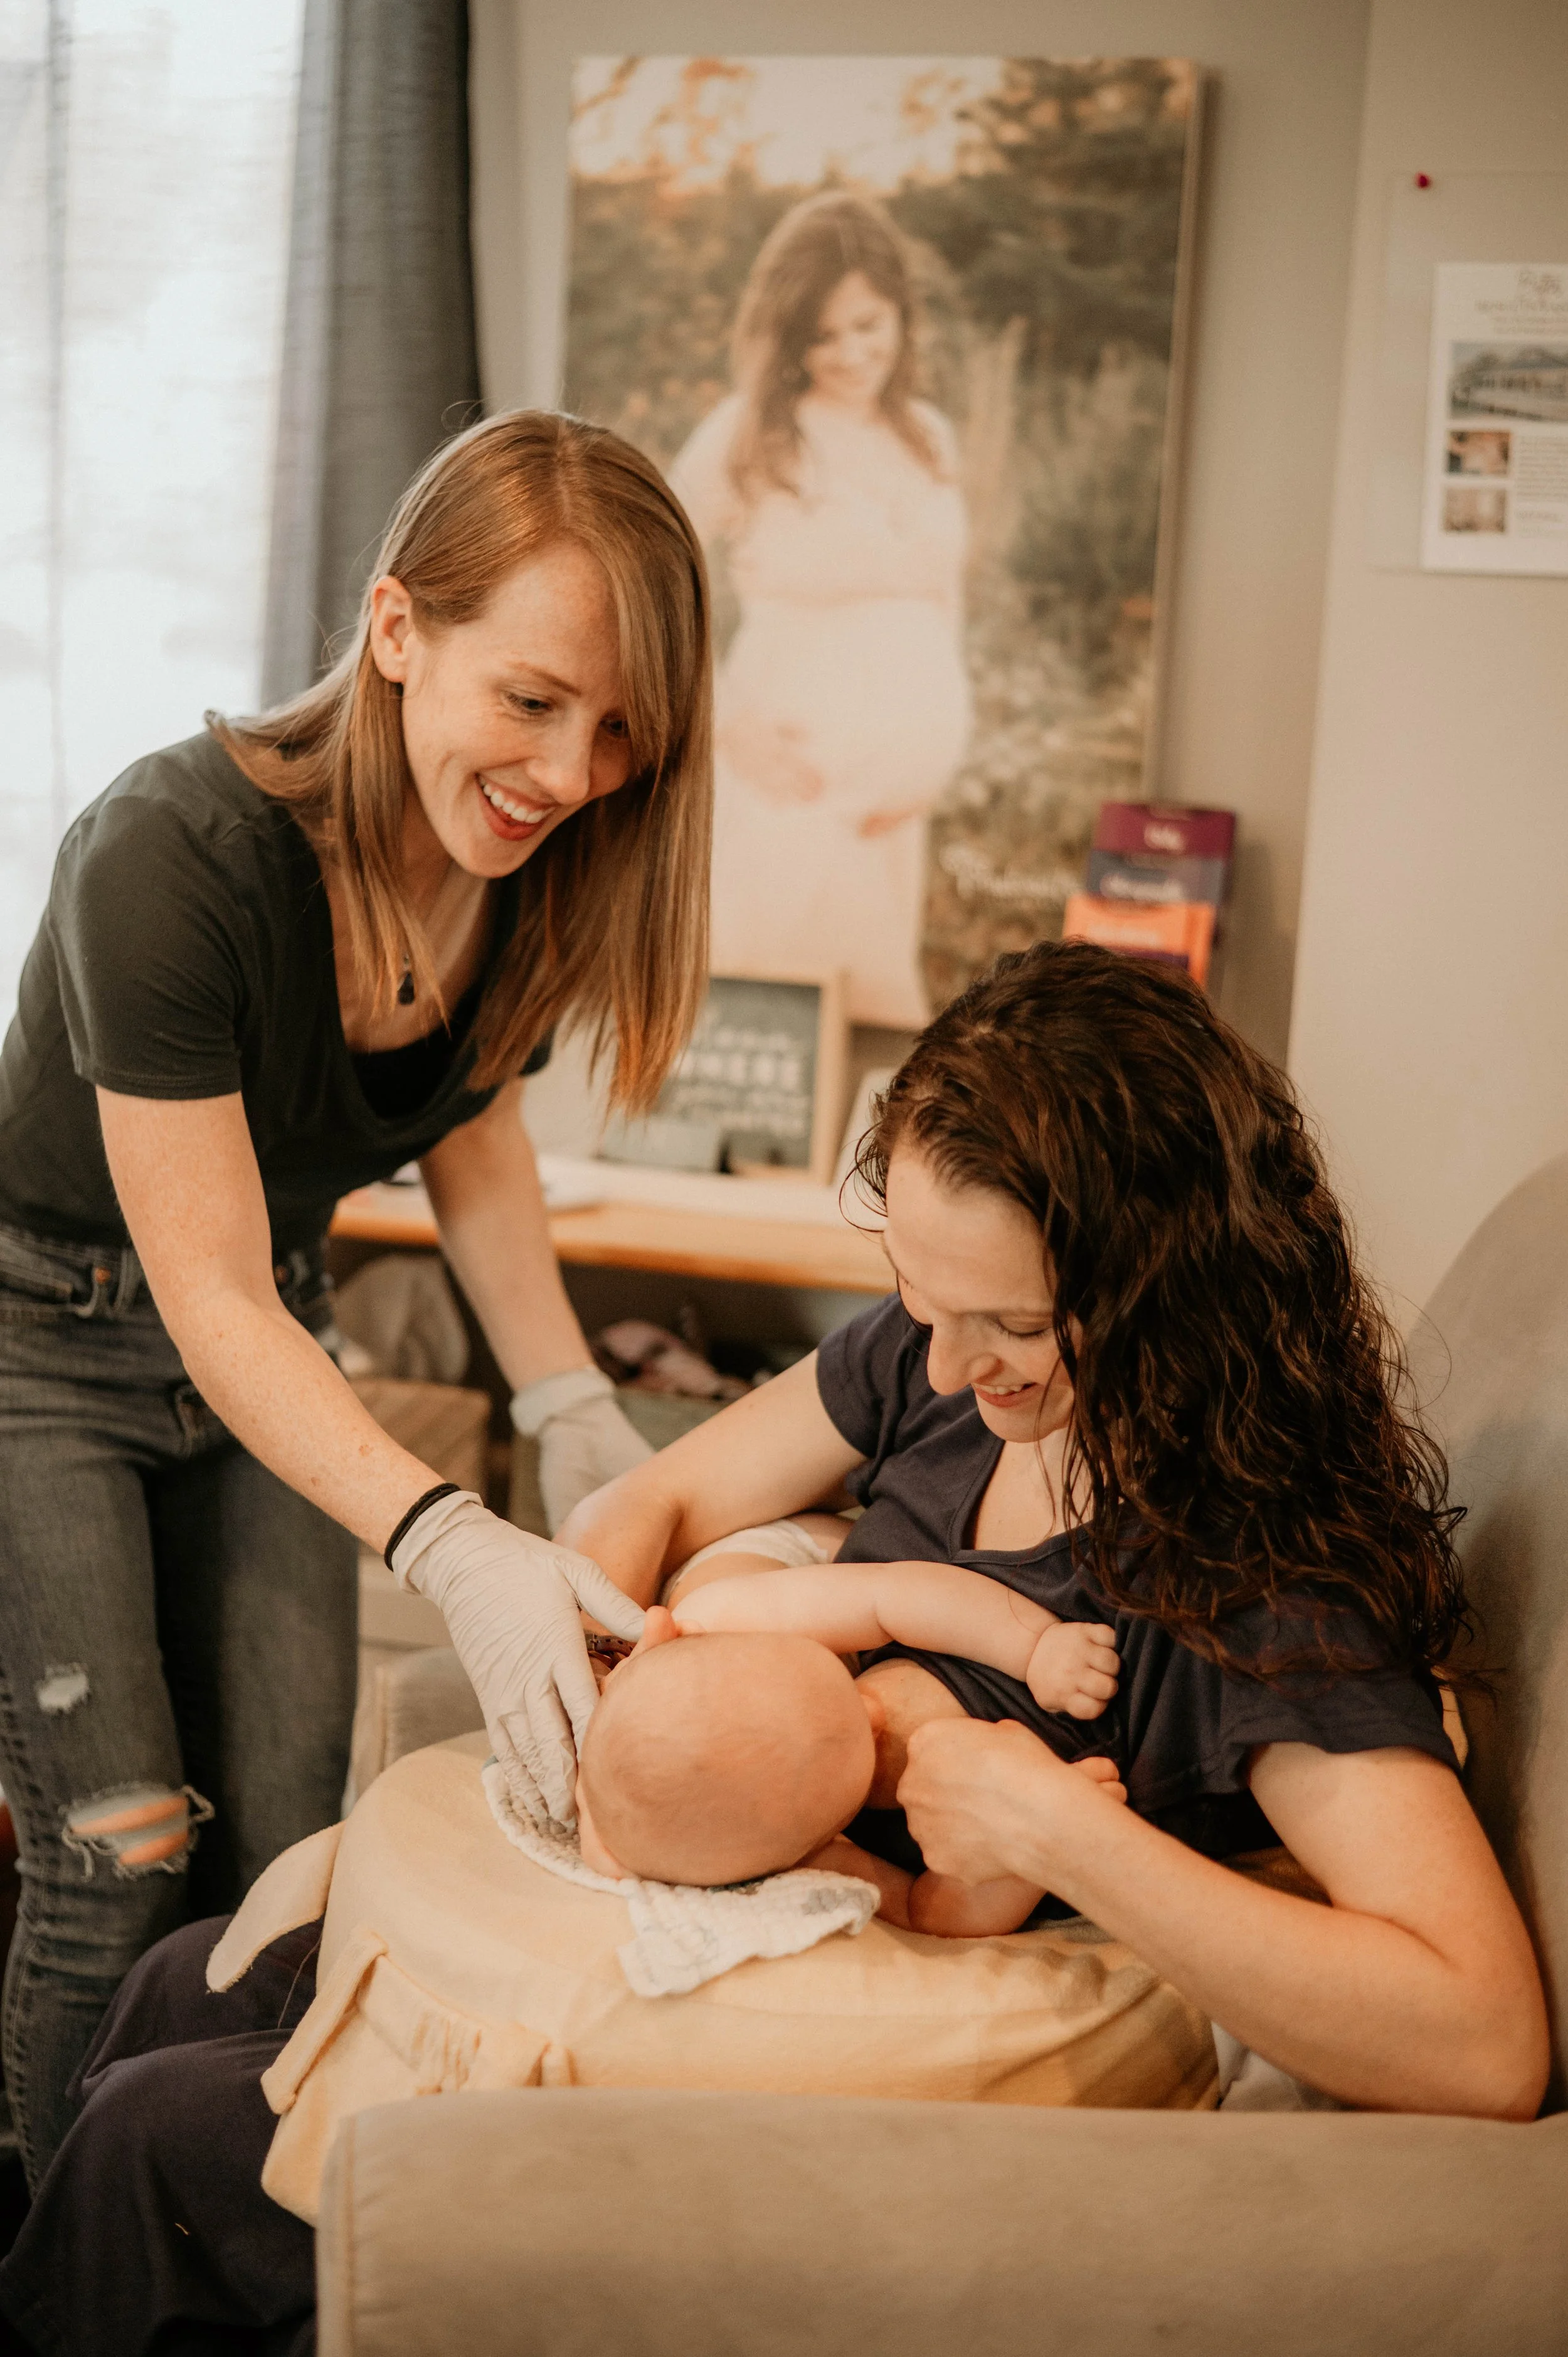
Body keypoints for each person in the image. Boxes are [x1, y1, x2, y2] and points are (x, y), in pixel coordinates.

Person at [0, 408, 707, 2184]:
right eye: (533, 699)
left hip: (255, 1343)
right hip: (42, 1337)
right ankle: (51, 2256)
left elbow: (470, 1149)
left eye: (617, 728)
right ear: (400, 630)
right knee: (129, 1849)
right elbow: (214, 1291)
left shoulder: (530, 874)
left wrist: (574, 1414)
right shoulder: (163, 858)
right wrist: (457, 1539)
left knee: (297, 1842)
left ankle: (203, 2213)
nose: (568, 767)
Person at [564, 942, 1549, 2119]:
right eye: (919, 1296)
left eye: (1014, 1324)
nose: (940, 1364)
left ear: (1168, 1295)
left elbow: (1487, 2044)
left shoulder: (1254, 1584)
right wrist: (609, 1731)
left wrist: (1053, 1832)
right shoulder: (946, 1365)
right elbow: (647, 1501)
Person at [669, 191, 971, 1028]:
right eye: (824, 334)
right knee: (776, 1013)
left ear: (901, 315)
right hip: (786, 781)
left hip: (890, 809)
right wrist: (724, 723)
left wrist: (930, 763)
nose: (850, 353)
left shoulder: (928, 436)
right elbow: (652, 578)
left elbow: (943, 603)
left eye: (868, 325)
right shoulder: (750, 432)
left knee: (875, 1024)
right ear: (790, 337)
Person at [576, 1560, 1125, 1934]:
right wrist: (1035, 1844)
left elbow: (890, 1593)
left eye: (839, 1689)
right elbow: (930, 1912)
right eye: (860, 1748)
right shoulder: (815, 1858)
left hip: (809, 1566)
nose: (873, 1711)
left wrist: (1032, 1647)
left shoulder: (722, 1619)